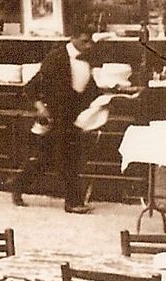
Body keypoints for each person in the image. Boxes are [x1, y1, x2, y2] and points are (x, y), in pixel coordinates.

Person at [7, 17, 103, 214]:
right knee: (69, 158)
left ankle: (17, 184)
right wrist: (41, 108)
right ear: (73, 38)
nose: (89, 45)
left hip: (75, 115)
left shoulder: (88, 58)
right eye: (85, 40)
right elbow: (31, 88)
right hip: (57, 115)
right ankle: (73, 203)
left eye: (91, 40)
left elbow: (88, 87)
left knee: (47, 159)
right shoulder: (56, 58)